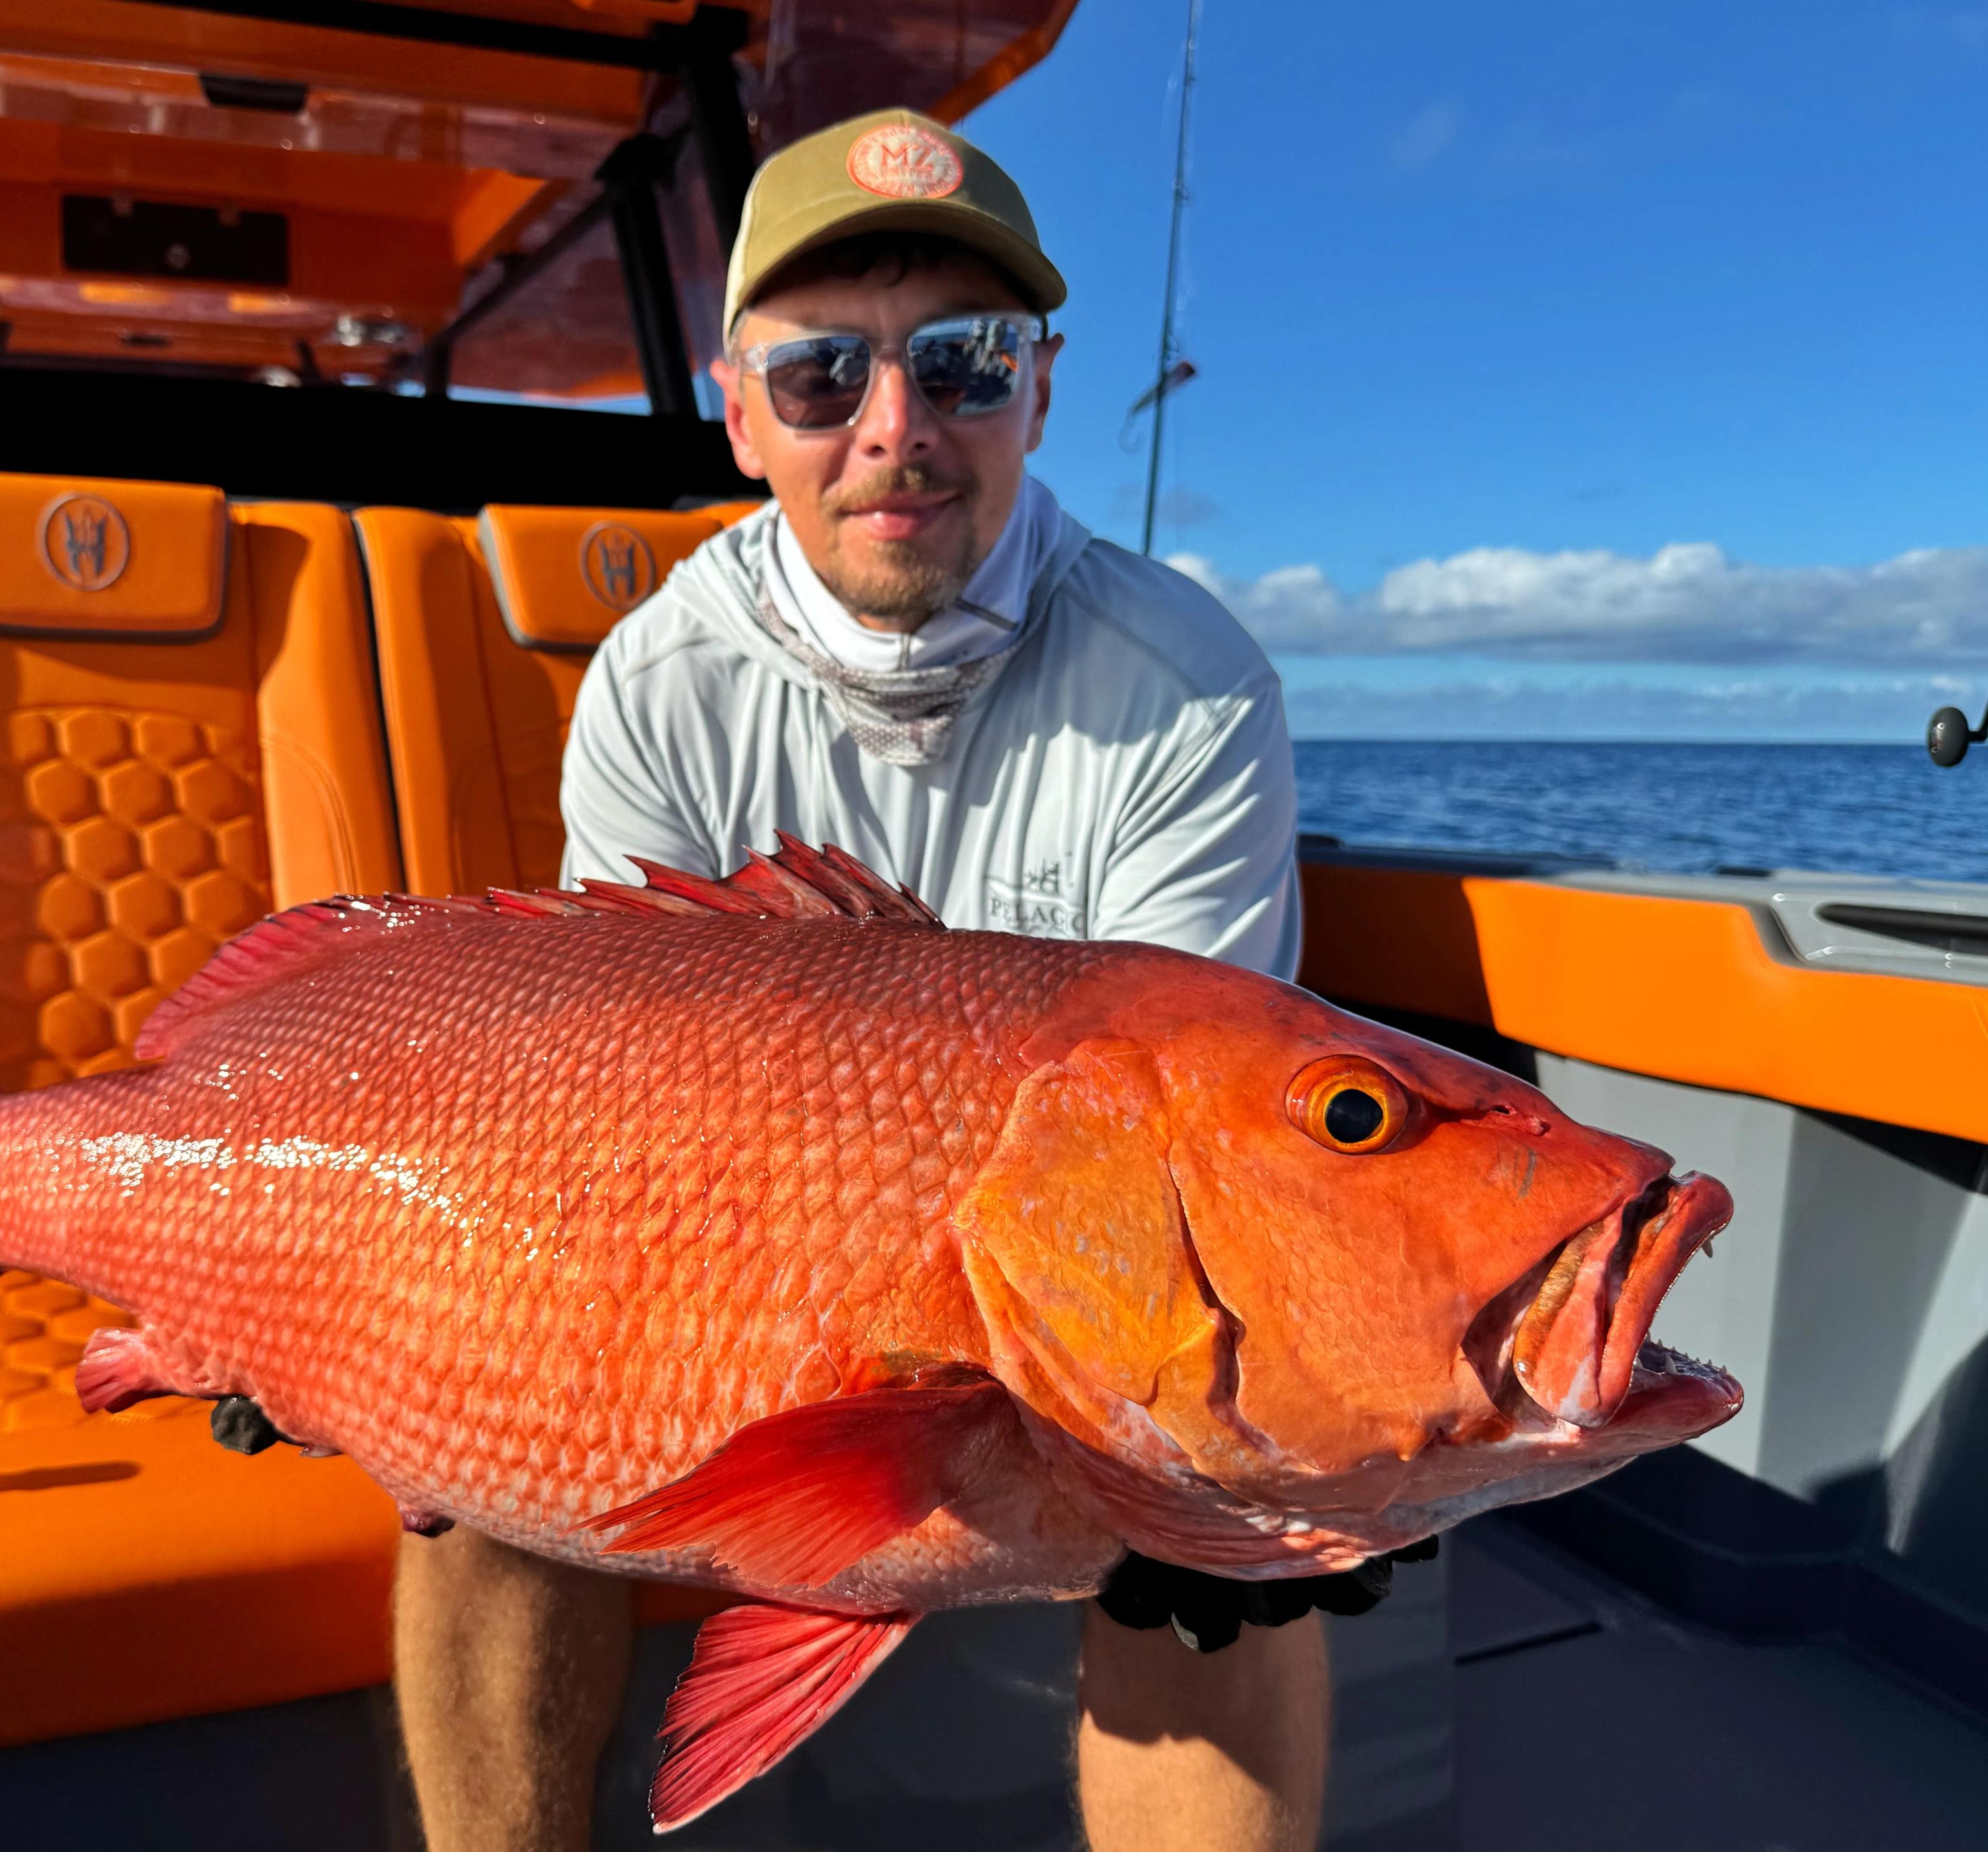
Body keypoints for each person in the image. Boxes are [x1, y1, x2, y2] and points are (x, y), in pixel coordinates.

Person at [390, 107, 1348, 1852]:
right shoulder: (658, 683)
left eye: (966, 366)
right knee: (479, 1486)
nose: (896, 432)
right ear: (740, 410)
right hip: (727, 1267)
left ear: (1042, 393)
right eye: (824, 375)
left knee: (1228, 1527)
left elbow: (1180, 1171)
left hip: (1067, 1304)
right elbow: (622, 1103)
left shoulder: (1190, 683)